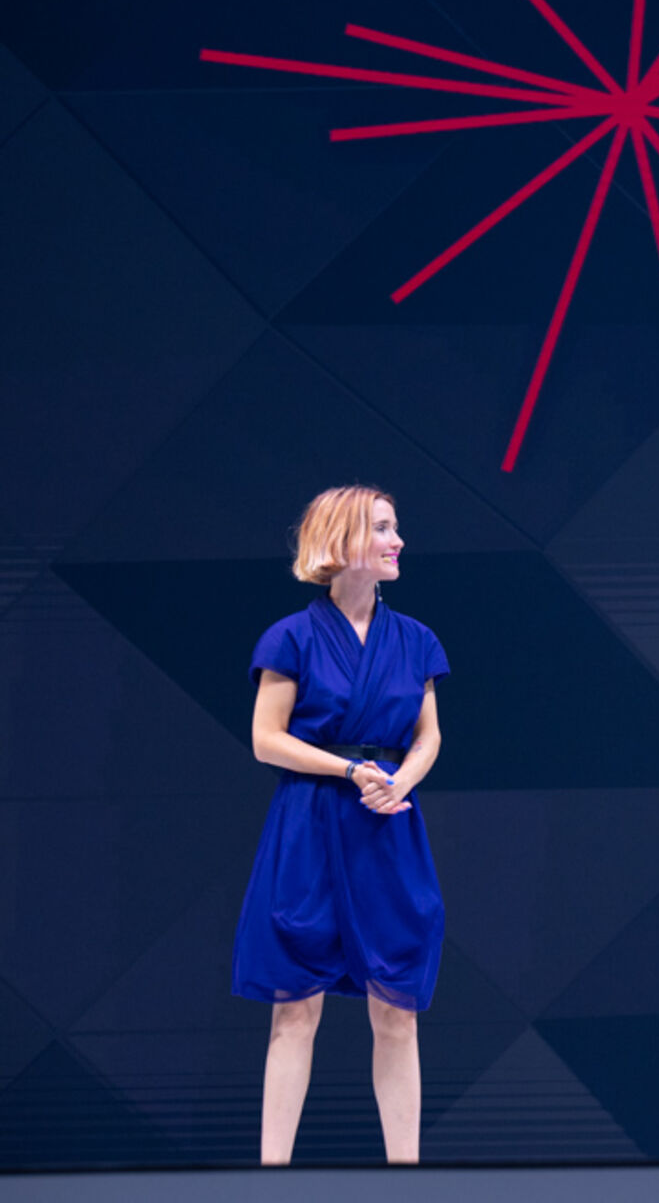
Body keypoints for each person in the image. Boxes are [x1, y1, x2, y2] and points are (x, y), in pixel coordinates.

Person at [233, 486, 449, 1164]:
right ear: (342, 540)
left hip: (388, 824)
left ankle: (406, 1174)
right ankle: (272, 1175)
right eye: (382, 528)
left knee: (397, 1008)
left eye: (395, 527)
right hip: (311, 823)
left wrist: (401, 781)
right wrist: (350, 771)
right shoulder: (291, 637)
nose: (397, 541)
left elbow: (428, 736)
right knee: (295, 1007)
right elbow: (266, 739)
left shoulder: (416, 640)